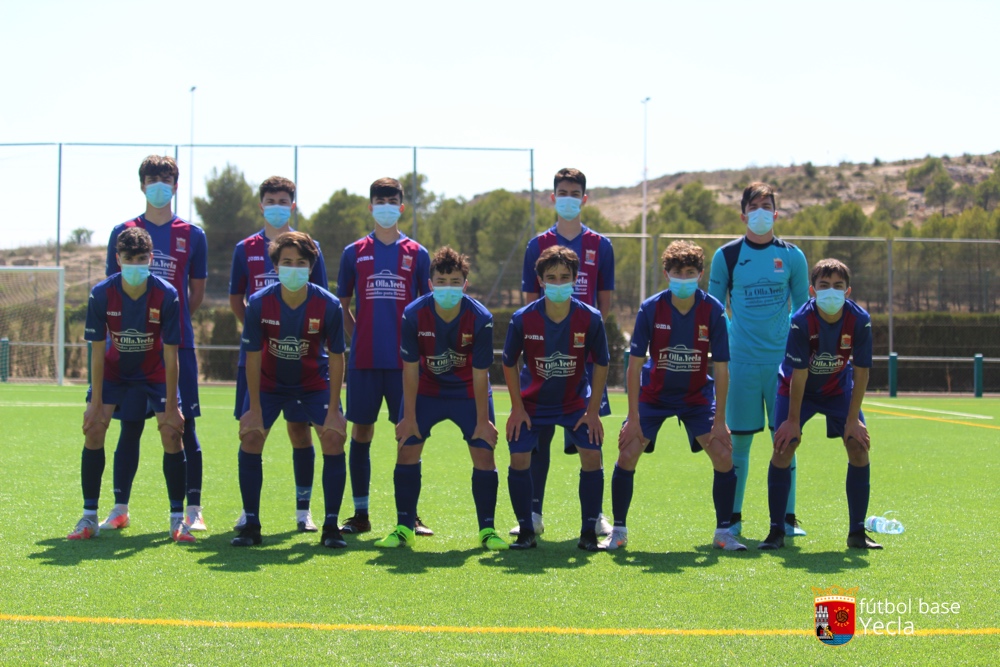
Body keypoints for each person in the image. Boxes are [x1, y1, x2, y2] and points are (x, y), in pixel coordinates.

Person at [608, 241, 746, 551]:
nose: (684, 278)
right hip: (654, 396)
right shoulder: (650, 308)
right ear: (666, 273)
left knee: (724, 454)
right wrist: (633, 418)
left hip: (696, 398)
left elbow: (722, 368)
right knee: (627, 452)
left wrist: (720, 420)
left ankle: (723, 533)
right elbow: (634, 365)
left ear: (700, 274)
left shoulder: (713, 309)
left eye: (690, 272)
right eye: (678, 272)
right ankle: (618, 531)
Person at [101, 155, 209, 533]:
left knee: (184, 425)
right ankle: (119, 508)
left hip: (177, 347)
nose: (159, 185)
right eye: (152, 179)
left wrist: (170, 324)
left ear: (176, 186)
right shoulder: (123, 231)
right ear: (142, 185)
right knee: (130, 426)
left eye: (166, 179)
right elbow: (112, 289)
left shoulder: (193, 234)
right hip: (133, 349)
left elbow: (195, 294)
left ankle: (192, 509)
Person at [374, 247, 506, 550]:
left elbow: (480, 373)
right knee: (407, 449)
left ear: (465, 284)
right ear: (430, 283)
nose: (448, 287)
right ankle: (404, 527)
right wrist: (408, 417)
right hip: (427, 389)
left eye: (455, 281)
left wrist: (483, 421)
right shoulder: (413, 314)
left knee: (484, 452)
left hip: (467, 391)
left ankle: (487, 530)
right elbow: (409, 369)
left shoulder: (481, 317)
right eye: (442, 281)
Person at [69, 227, 194, 543]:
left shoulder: (167, 294)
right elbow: (97, 353)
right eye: (129, 258)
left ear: (151, 258)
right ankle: (88, 517)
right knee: (94, 428)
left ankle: (177, 520)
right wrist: (95, 403)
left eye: (141, 258)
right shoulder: (101, 293)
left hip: (154, 373)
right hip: (115, 372)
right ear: (118, 259)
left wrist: (172, 406)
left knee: (171, 432)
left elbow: (171, 354)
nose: (135, 264)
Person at [515, 167, 615, 538]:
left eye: (575, 192)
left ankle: (596, 515)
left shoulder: (601, 245)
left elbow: (604, 303)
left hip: (582, 362)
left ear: (584, 198)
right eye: (563, 192)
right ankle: (533, 513)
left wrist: (584, 341)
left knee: (590, 438)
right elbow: (529, 304)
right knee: (537, 440)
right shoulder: (537, 244)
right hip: (542, 363)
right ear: (553, 197)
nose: (569, 198)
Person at [232, 232, 348, 548]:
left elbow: (337, 357)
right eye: (286, 262)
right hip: (270, 384)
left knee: (333, 437)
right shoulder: (259, 303)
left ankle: (331, 527)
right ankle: (251, 524)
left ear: (311, 267)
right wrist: (254, 409)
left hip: (313, 384)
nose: (293, 268)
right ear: (275, 267)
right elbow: (252, 356)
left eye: (300, 263)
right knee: (251, 435)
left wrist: (334, 409)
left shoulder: (329, 304)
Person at [708, 182, 809, 538]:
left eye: (767, 206)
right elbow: (713, 311)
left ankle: (787, 519)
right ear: (743, 215)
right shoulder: (727, 255)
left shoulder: (793, 256)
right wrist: (721, 352)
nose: (761, 212)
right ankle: (732, 519)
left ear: (776, 214)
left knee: (785, 441)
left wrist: (799, 358)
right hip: (741, 365)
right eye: (754, 206)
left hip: (782, 366)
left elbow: (804, 312)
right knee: (739, 444)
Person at [758, 258, 881, 550]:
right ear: (812, 291)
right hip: (797, 389)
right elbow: (799, 374)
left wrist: (853, 420)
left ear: (848, 291)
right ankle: (776, 531)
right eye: (824, 286)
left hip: (838, 389)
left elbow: (862, 371)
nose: (831, 292)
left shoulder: (859, 319)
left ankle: (857, 532)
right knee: (784, 446)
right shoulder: (801, 320)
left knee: (858, 445)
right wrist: (792, 421)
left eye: (838, 286)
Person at [229, 176, 329, 533]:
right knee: (252, 430)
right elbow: (236, 298)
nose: (276, 206)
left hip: (302, 362)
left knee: (300, 432)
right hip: (259, 359)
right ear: (261, 205)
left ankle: (304, 511)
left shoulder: (310, 247)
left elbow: (322, 302)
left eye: (283, 200)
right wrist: (261, 332)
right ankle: (249, 513)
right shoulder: (245, 248)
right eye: (270, 200)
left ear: (293, 205)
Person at [336, 177, 431, 536]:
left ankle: (409, 516)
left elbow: (427, 307)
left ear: (401, 207)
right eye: (380, 201)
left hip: (406, 365)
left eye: (392, 201)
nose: (386, 207)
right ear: (371, 206)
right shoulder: (353, 252)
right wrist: (359, 335)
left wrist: (417, 348)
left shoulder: (417, 253)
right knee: (361, 432)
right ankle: (360, 514)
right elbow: (342, 304)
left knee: (409, 434)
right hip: (364, 361)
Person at [503, 246, 610, 551]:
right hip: (533, 404)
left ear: (576, 279)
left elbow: (602, 362)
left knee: (592, 454)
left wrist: (592, 411)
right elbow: (508, 362)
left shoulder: (590, 318)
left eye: (565, 277)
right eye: (552, 277)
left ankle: (588, 532)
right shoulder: (523, 318)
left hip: (574, 403)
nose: (559, 283)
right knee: (519, 457)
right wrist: (517, 408)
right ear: (540, 280)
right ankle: (526, 529)